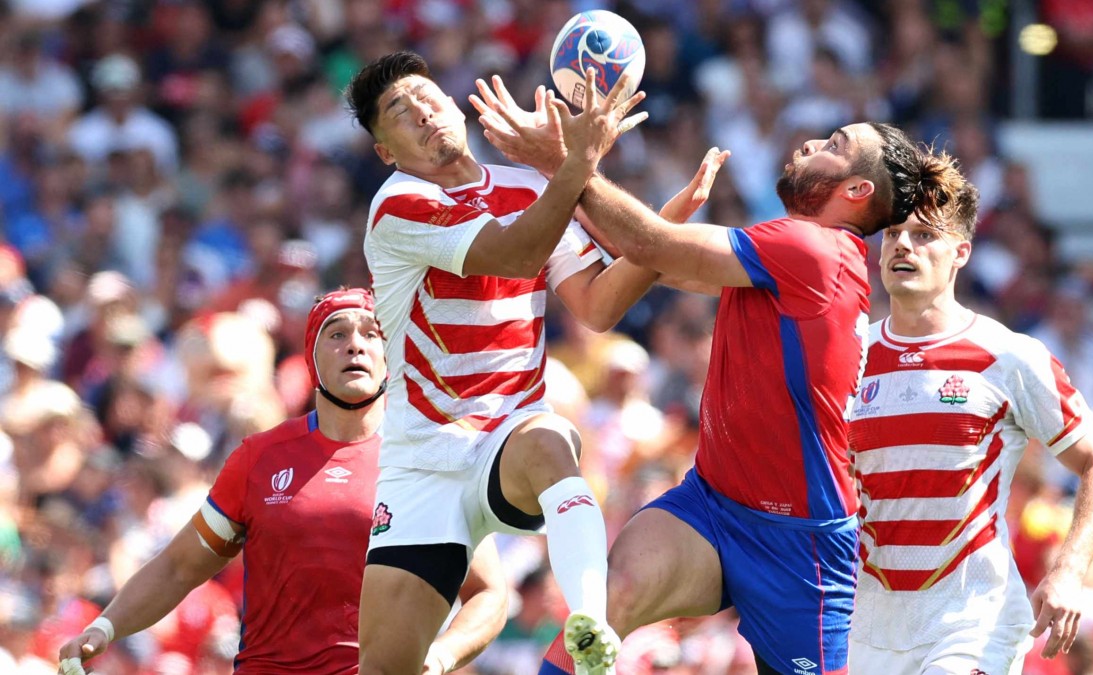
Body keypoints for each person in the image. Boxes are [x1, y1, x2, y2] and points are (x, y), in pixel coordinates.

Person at [473, 77, 970, 674]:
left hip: (802, 546)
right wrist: (577, 175)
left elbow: (652, 245)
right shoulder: (787, 251)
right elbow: (657, 260)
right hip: (712, 505)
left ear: (856, 189)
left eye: (834, 143)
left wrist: (565, 161)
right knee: (608, 602)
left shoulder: (816, 249)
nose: (811, 142)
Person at [343, 52, 725, 675]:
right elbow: (516, 254)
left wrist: (664, 227)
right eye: (398, 111)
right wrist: (575, 164)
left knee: (550, 439)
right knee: (386, 668)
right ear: (385, 150)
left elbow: (597, 305)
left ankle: (590, 624)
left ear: (453, 102)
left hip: (508, 436)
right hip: (421, 461)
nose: (422, 112)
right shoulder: (399, 205)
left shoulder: (527, 188)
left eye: (427, 96)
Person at [57, 288, 509, 675]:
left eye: (372, 334)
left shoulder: (429, 460)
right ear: (312, 358)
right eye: (338, 334)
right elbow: (179, 566)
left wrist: (439, 657)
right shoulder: (260, 457)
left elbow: (488, 593)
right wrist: (105, 626)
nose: (356, 345)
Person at [845, 197, 1093, 673]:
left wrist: (1069, 569)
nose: (903, 246)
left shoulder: (1010, 354)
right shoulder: (846, 357)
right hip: (868, 627)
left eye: (924, 234)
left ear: (961, 252)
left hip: (973, 620)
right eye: (893, 233)